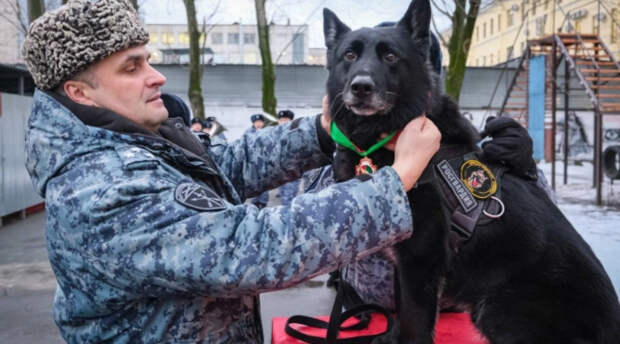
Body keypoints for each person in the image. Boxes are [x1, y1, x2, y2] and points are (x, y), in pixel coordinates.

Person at [21, 1, 441, 342]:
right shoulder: (99, 190)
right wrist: (396, 180)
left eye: (148, 61)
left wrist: (321, 133)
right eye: (132, 68)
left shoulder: (137, 141)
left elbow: (226, 167)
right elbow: (253, 249)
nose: (157, 77)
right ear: (80, 93)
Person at [276, 109, 301, 206]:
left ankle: (290, 218)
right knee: (283, 196)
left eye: (285, 119)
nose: (283, 121)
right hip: (279, 171)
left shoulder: (296, 133)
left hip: (292, 171)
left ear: (291, 120)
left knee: (289, 197)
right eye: (281, 119)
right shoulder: (275, 134)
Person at [246, 113, 270, 208]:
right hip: (253, 162)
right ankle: (255, 201)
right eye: (257, 122)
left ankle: (263, 202)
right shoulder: (248, 132)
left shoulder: (268, 132)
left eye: (260, 122)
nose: (259, 124)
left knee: (265, 182)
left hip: (264, 161)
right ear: (253, 123)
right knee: (254, 182)